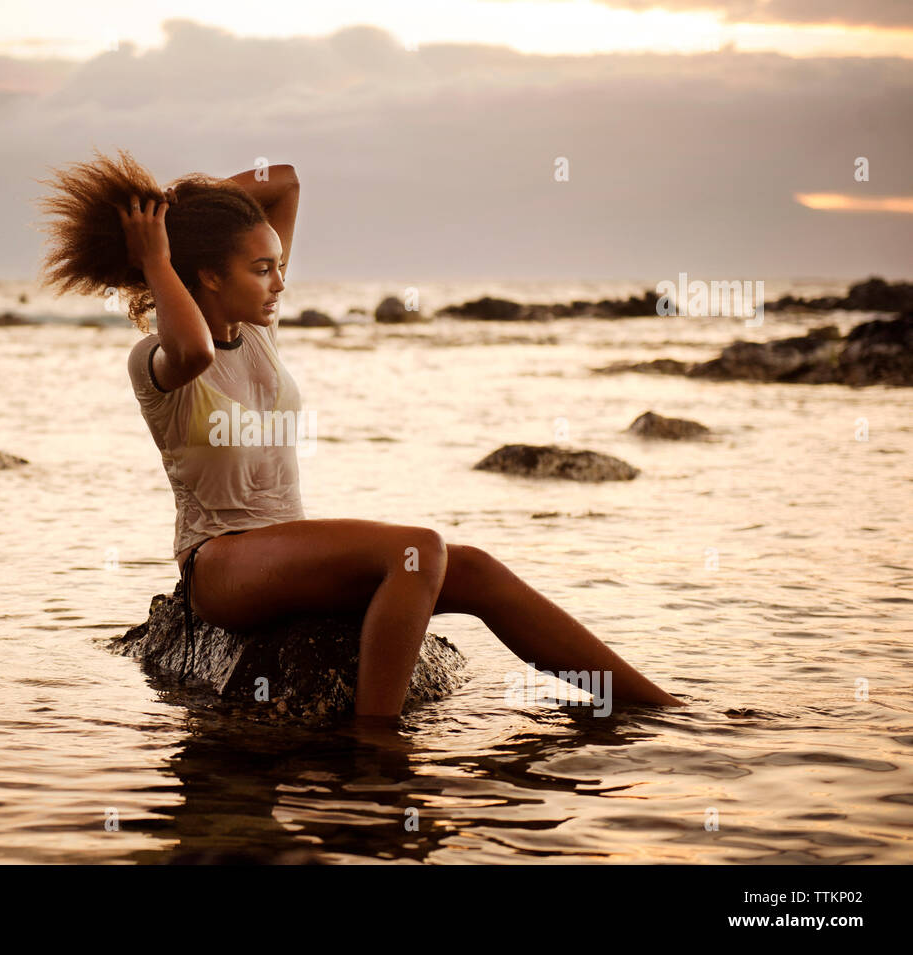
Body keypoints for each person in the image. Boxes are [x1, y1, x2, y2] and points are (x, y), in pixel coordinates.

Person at [36, 148, 683, 730]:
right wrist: (153, 255)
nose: (280, 283)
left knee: (475, 568)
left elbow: (285, 181)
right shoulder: (157, 360)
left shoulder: (258, 327)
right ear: (207, 277)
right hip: (222, 561)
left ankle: (656, 708)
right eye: (263, 269)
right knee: (418, 548)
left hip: (280, 548)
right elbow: (195, 346)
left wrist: (171, 215)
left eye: (279, 266)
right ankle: (378, 749)